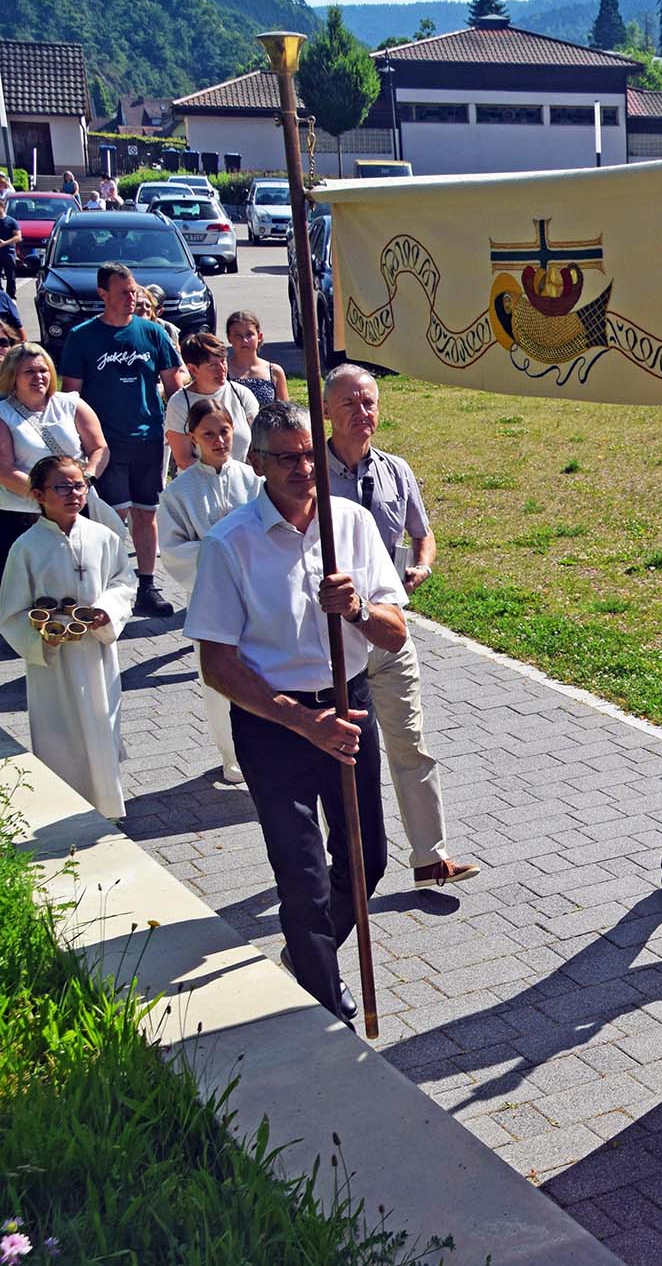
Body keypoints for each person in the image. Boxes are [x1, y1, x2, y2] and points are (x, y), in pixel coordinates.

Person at [185, 401, 408, 1024]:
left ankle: (306, 956)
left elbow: (395, 634)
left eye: (311, 453)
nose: (304, 467)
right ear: (258, 463)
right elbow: (217, 665)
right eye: (287, 457)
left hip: (349, 708)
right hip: (274, 726)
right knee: (301, 876)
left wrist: (357, 609)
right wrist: (301, 721)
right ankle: (324, 1005)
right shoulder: (230, 543)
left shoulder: (351, 524)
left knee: (366, 863)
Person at [324, 364, 476, 888]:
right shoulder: (309, 475)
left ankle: (430, 858)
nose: (362, 412)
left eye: (369, 402)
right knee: (342, 754)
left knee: (410, 742)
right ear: (327, 411)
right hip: (331, 636)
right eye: (350, 403)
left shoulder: (396, 470)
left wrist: (422, 565)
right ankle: (345, 863)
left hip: (388, 630)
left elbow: (422, 534)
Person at [0, 454, 137, 818]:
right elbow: (11, 611)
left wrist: (106, 610)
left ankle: (108, 809)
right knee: (59, 731)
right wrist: (41, 640)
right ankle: (64, 811)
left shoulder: (103, 537)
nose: (74, 494)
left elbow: (123, 581)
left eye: (80, 485)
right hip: (53, 661)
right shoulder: (27, 547)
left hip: (96, 652)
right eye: (62, 487)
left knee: (101, 722)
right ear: (38, 495)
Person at [57, 262, 183, 617]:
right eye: (124, 292)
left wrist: (181, 432)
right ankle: (107, 586)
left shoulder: (152, 333)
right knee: (111, 518)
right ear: (103, 294)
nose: (132, 298)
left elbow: (174, 387)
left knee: (146, 513)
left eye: (134, 291)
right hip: (105, 443)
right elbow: (71, 396)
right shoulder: (83, 336)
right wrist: (82, 444)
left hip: (148, 438)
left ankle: (147, 586)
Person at [158, 397, 260, 783]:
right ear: (192, 438)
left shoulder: (254, 481)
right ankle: (231, 755)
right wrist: (219, 553)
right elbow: (173, 551)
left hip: (256, 592)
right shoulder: (179, 492)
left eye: (224, 431)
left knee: (261, 669)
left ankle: (265, 747)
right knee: (218, 678)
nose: (219, 441)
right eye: (208, 434)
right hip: (210, 599)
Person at [0, 343, 111, 573]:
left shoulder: (71, 403)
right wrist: (49, 496)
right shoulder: (3, 413)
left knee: (82, 578)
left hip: (76, 509)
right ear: (13, 376)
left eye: (43, 370)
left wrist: (84, 482)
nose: (38, 377)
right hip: (23, 515)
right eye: (29, 371)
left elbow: (99, 448)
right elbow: (4, 469)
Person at [164, 332, 257, 469]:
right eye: (213, 365)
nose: (222, 369)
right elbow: (184, 459)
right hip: (198, 480)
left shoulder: (242, 394)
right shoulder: (179, 403)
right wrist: (221, 475)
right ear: (193, 369)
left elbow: (258, 446)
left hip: (241, 479)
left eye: (223, 361)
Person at [225, 312, 288, 408]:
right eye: (238, 335)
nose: (244, 340)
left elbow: (285, 410)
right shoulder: (223, 370)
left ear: (259, 337)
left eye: (249, 334)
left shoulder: (274, 371)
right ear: (229, 338)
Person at [0, 202, 19, 296]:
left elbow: (18, 237)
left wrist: (5, 243)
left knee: (10, 276)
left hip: (8, 252)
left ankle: (11, 296)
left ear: (2, 207)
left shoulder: (11, 221)